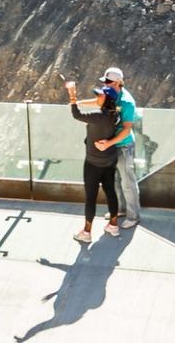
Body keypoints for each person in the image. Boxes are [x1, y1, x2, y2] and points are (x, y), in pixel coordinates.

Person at [65, 77, 125, 242]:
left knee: (90, 197)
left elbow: (76, 114)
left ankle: (86, 233)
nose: (97, 97)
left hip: (93, 162)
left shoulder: (98, 116)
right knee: (110, 191)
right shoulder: (115, 113)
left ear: (106, 99)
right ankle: (113, 226)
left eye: (100, 95)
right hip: (110, 159)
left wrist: (72, 94)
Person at [103, 66, 142, 228]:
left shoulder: (126, 102)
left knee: (127, 181)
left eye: (109, 82)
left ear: (118, 83)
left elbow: (127, 129)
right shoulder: (109, 95)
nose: (106, 84)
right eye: (105, 81)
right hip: (111, 144)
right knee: (115, 180)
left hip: (123, 146)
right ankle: (120, 209)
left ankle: (133, 217)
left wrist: (109, 143)